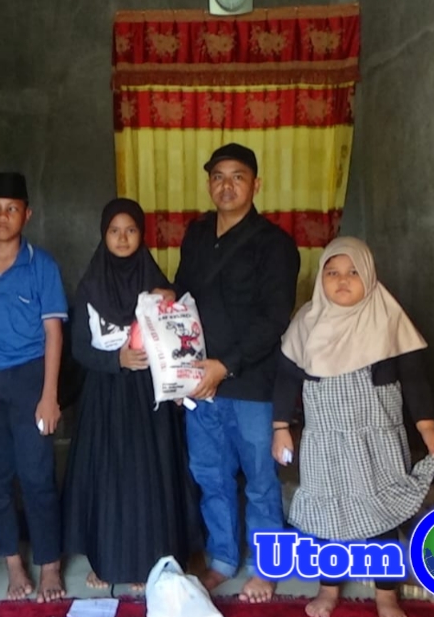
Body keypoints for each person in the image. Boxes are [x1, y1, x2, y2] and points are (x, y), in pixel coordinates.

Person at [273, 237, 434, 617]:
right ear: (321, 278)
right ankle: (328, 588)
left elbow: (415, 379)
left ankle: (386, 595)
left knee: (382, 514)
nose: (342, 280)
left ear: (369, 275)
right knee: (328, 518)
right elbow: (285, 380)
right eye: (333, 272)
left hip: (377, 440)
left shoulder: (387, 318)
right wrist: (280, 427)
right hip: (325, 442)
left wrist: (428, 428)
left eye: (353, 272)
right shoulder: (306, 323)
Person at [171, 142, 299, 602]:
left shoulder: (275, 244)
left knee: (261, 479)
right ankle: (223, 558)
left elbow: (274, 318)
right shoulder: (197, 234)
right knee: (210, 475)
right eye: (218, 177)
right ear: (209, 184)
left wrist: (225, 365)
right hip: (200, 383)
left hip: (251, 385)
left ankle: (267, 566)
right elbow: (183, 296)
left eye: (237, 177)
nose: (226, 186)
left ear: (256, 185)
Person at [62, 198, 203, 592]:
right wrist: (117, 359)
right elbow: (79, 348)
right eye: (114, 231)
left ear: (142, 235)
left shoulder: (157, 285)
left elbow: (178, 337)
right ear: (103, 235)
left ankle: (149, 563)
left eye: (130, 230)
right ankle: (106, 561)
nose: (122, 238)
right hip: (105, 396)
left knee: (149, 478)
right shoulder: (90, 286)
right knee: (108, 480)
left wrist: (169, 300)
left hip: (148, 398)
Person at [0, 173, 68, 602]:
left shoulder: (42, 265)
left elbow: (54, 333)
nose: (2, 217)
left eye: (12, 209)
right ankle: (13, 564)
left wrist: (49, 396)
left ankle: (49, 565)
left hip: (32, 377)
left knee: (37, 475)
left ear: (27, 214)